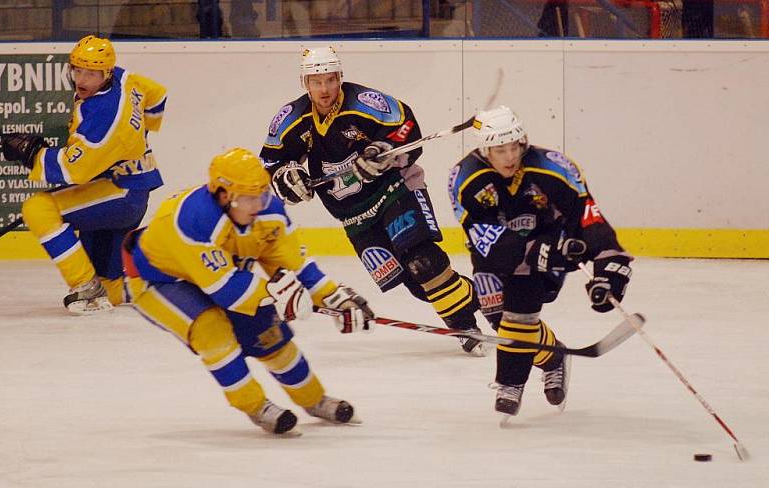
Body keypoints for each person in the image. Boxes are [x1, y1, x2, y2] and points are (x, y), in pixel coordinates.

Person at [122, 147, 374, 436]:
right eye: (247, 197)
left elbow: (295, 263)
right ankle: (255, 406)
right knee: (212, 331)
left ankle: (314, 400)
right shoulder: (193, 219)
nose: (257, 205)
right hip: (159, 280)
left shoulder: (270, 212)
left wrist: (333, 297)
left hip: (223, 275)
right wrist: (280, 294)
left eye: (261, 195)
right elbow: (226, 291)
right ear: (223, 195)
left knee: (270, 335)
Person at [260, 46, 486, 356]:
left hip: (395, 189)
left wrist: (381, 150)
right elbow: (269, 163)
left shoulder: (363, 103)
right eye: (316, 82)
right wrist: (286, 178)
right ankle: (487, 297)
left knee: (423, 262)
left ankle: (464, 325)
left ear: (340, 77)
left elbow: (407, 126)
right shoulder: (290, 119)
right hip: (353, 216)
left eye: (330, 79)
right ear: (305, 83)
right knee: (417, 284)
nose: (324, 89)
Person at [448, 105, 633, 417]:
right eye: (499, 150)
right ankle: (553, 356)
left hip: (552, 244)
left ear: (523, 142)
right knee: (497, 317)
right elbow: (484, 237)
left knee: (520, 310)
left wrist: (608, 270)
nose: (509, 157)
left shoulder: (554, 169)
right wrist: (531, 252)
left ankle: (510, 382)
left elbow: (588, 219)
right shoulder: (465, 179)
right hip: (496, 252)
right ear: (484, 150)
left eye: (513, 147)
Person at [1, 35, 167, 315]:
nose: (82, 78)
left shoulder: (105, 117)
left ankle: (84, 286)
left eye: (91, 73)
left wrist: (33, 156)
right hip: (129, 188)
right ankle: (154, 284)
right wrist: (139, 134)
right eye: (77, 69)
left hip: (120, 194)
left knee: (39, 208)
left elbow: (73, 170)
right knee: (110, 288)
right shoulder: (124, 79)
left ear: (105, 73)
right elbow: (157, 94)